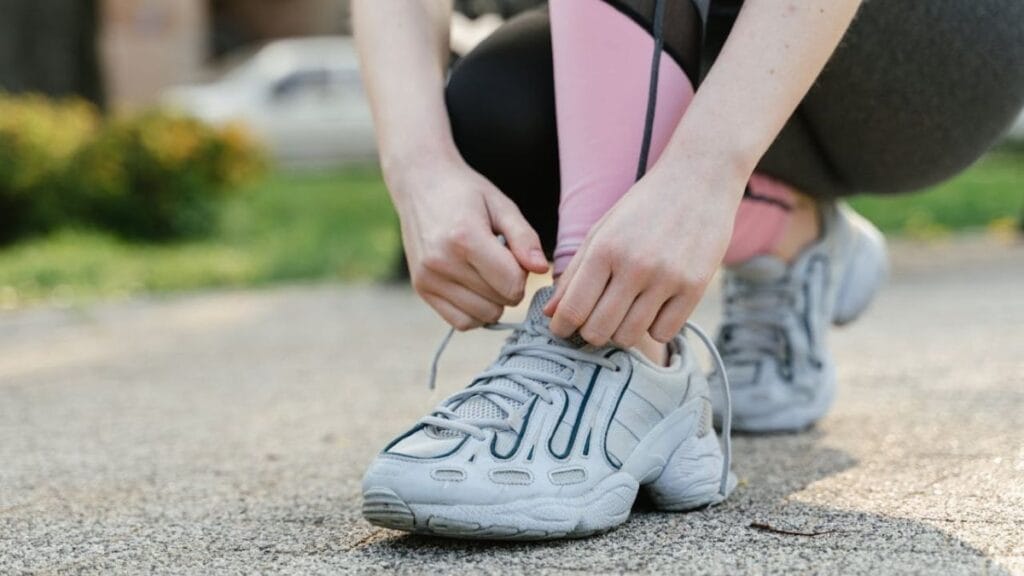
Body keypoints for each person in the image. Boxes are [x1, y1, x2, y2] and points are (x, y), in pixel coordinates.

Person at [353, 0, 1024, 540]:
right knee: (496, 106)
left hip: (924, 60)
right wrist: (422, 171)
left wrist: (708, 168)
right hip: (708, 50)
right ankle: (791, 234)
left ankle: (616, 348)